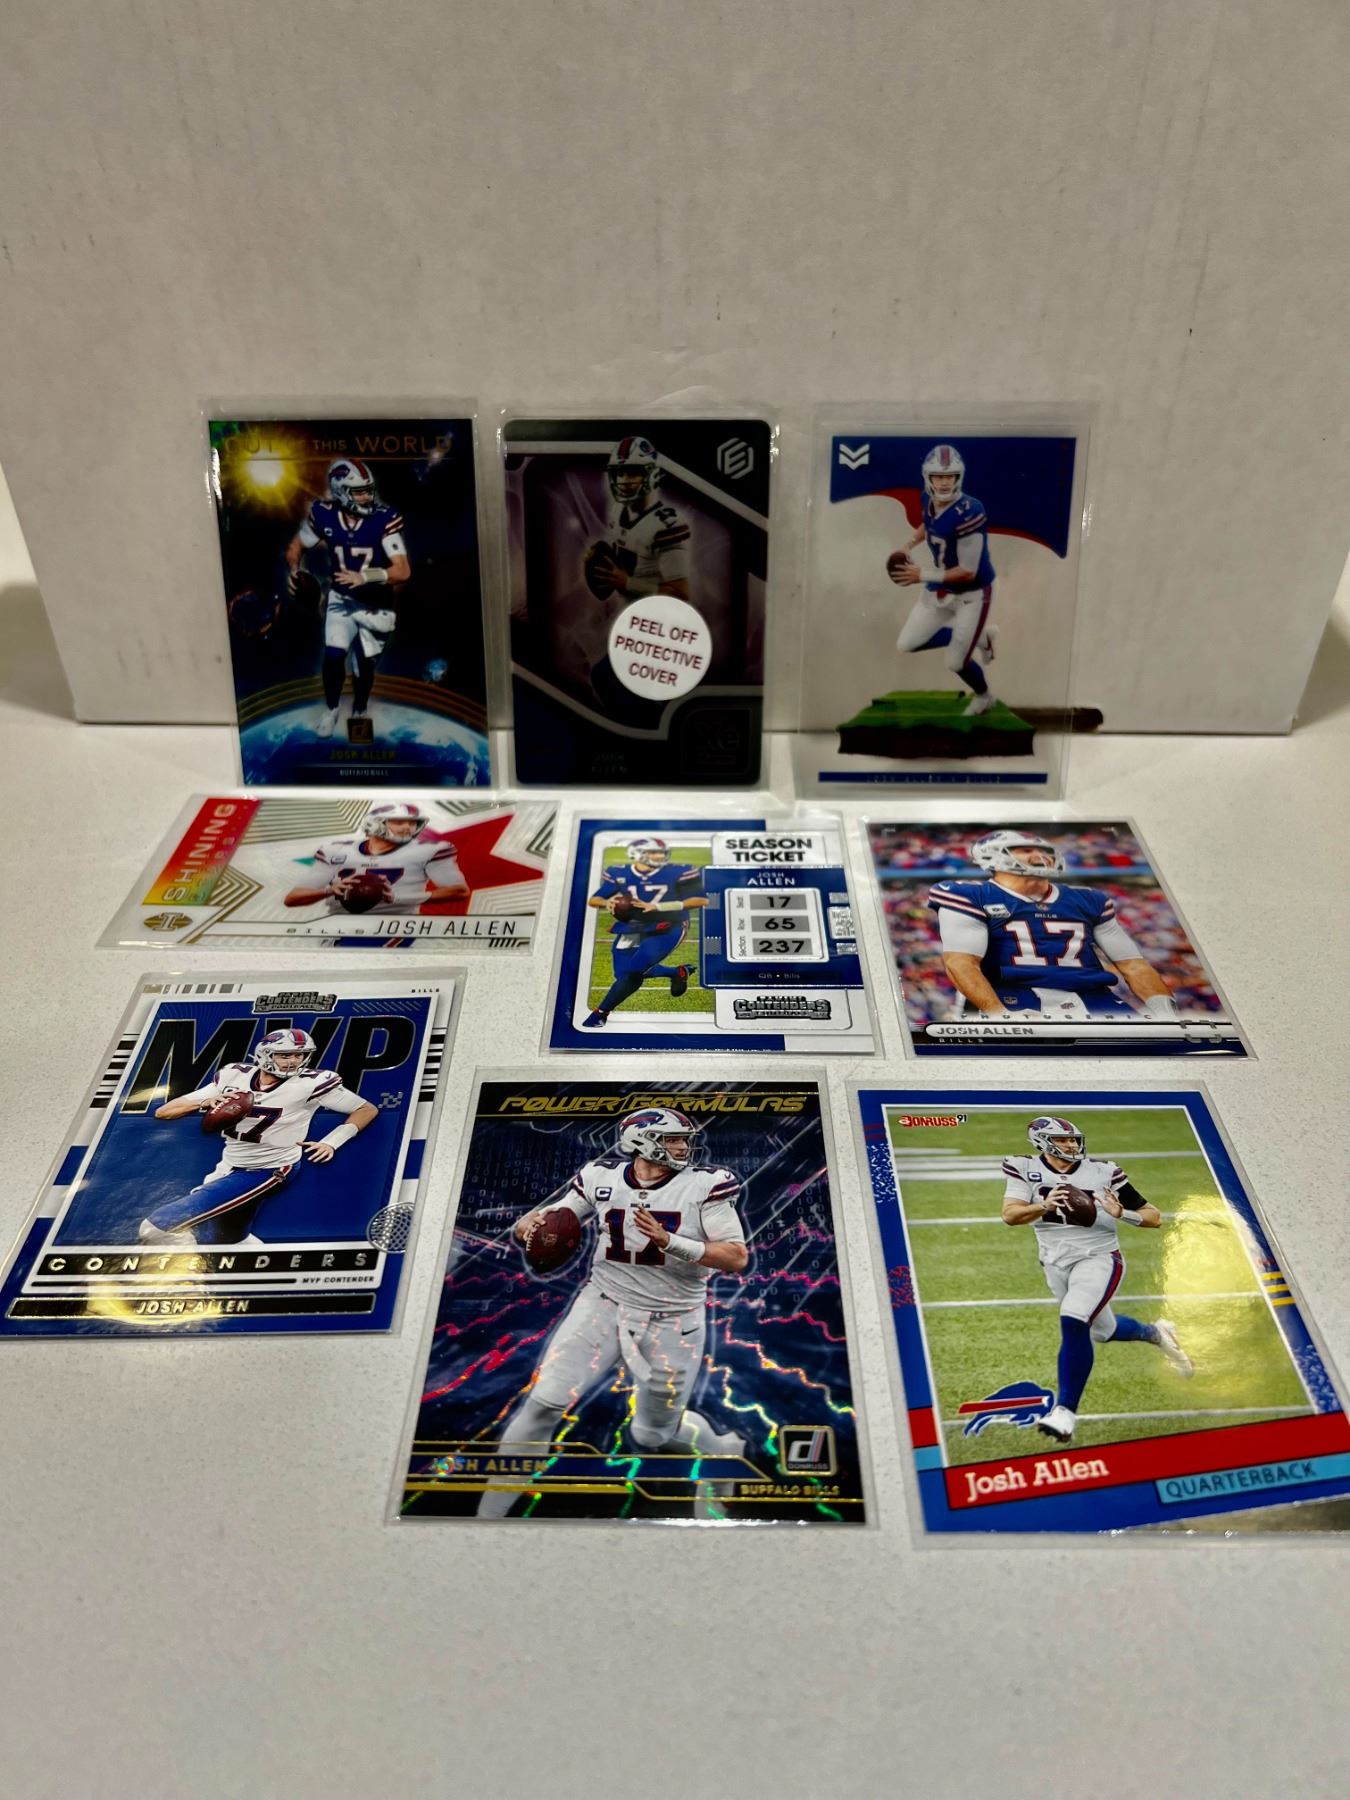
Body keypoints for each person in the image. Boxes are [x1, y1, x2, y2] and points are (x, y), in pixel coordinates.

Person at [476, 1107, 748, 1520]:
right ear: (641, 1140)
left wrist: (670, 1242)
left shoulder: (705, 1185)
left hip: (673, 1318)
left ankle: (722, 1451)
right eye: (673, 1139)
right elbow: (552, 1220)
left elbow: (735, 1257)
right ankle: (487, 1519)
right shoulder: (600, 1176)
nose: (683, 1147)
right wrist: (528, 1226)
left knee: (652, 1435)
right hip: (604, 1303)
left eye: (683, 1139)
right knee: (544, 1404)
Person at [1001, 1115, 1193, 1444]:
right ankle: (1157, 1334)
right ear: (1042, 1142)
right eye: (1062, 1140)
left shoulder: (1104, 1171)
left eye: (1073, 1139)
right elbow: (1010, 1215)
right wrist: (1043, 1205)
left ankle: (1064, 1413)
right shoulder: (1024, 1167)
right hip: (1054, 1263)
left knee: (1073, 1317)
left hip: (1100, 1259)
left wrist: (1123, 1214)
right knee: (1103, 1331)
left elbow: (1154, 1217)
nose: (1070, 1145)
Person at [141, 1028, 377, 1246]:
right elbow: (164, 1111)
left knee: (156, 1228)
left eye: (299, 1055)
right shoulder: (234, 1076)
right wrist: (204, 1102)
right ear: (265, 1054)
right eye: (285, 1055)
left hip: (269, 1168)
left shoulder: (310, 1084)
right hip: (228, 1166)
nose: (294, 1061)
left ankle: (186, 1268)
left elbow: (366, 1109)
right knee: (230, 1239)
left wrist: (332, 1142)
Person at [929, 830, 1180, 1021]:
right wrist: (999, 1015)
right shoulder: (970, 895)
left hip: (1092, 995)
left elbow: (1132, 964)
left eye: (1045, 851)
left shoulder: (1089, 899)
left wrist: (1166, 1014)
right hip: (1011, 992)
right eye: (1025, 850)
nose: (1040, 856)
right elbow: (961, 963)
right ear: (990, 855)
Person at [286, 458, 410, 739]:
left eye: (368, 490)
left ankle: (360, 710)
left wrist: (364, 577)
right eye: (359, 492)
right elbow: (296, 546)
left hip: (375, 605)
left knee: (363, 667)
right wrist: (294, 570)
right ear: (341, 491)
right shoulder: (324, 514)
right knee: (333, 657)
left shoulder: (384, 518)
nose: (367, 497)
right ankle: (331, 709)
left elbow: (402, 570)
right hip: (341, 599)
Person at [887, 442, 998, 715]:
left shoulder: (970, 510)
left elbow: (968, 571)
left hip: (972, 594)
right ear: (929, 477)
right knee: (907, 643)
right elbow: (928, 523)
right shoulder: (928, 500)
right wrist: (907, 545)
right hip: (940, 586)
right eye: (938, 476)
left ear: (959, 477)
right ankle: (980, 637)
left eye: (950, 476)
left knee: (956, 663)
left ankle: (985, 697)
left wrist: (920, 575)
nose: (945, 482)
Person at [582, 837, 705, 1028]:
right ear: (637, 854)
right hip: (633, 926)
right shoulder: (618, 872)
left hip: (668, 925)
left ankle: (600, 1014)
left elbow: (700, 900)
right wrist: (607, 902)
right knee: (622, 973)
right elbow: (594, 900)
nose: (660, 856)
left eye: (662, 853)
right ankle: (677, 972)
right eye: (655, 852)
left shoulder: (679, 871)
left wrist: (658, 906)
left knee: (633, 971)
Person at [284, 802, 468, 913]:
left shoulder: (429, 850)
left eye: (413, 823)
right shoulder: (335, 850)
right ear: (374, 824)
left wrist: (398, 898)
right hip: (337, 928)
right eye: (399, 822)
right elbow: (293, 899)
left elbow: (459, 891)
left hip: (395, 928)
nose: (408, 828)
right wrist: (329, 891)